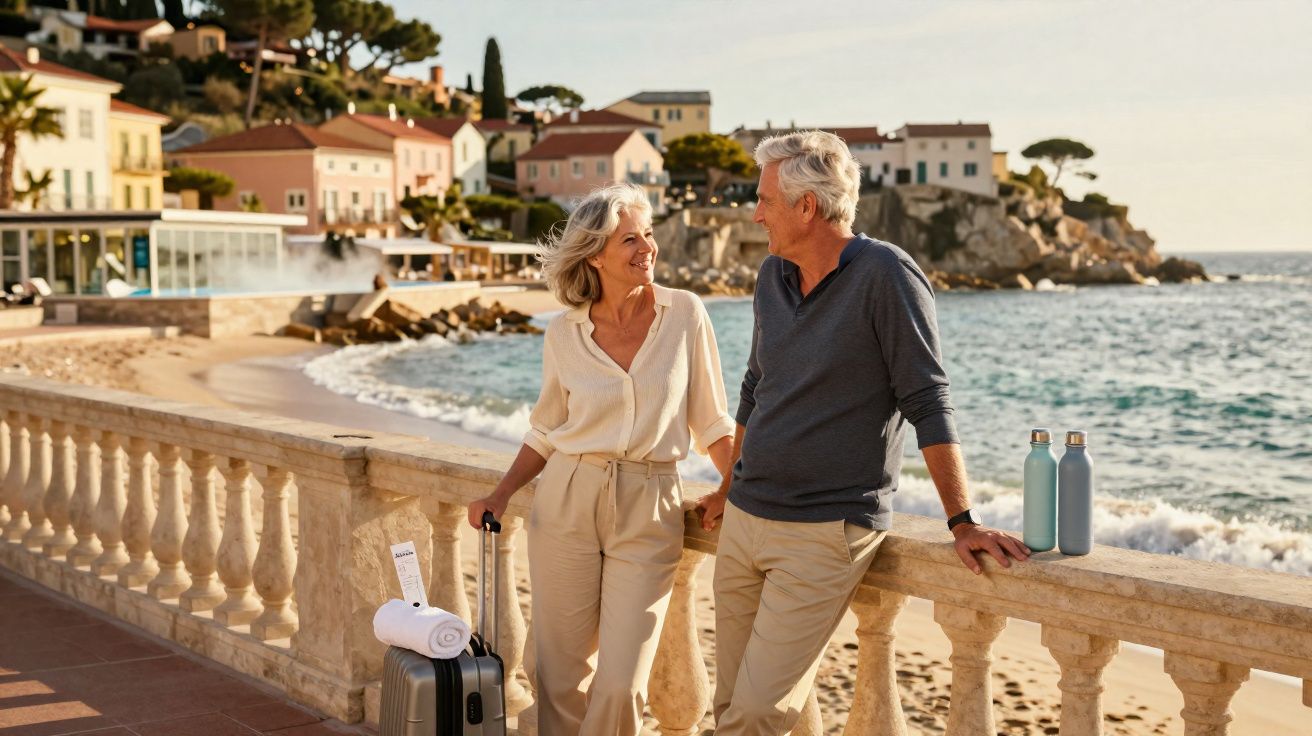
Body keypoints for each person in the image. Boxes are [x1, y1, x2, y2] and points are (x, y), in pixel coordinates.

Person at [696, 131, 1031, 735]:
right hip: (746, 516)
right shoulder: (773, 274)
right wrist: (728, 484)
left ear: (806, 207)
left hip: (824, 530)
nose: (755, 212)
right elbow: (756, 386)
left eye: (766, 200)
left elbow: (927, 399)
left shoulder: (887, 275)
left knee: (754, 714)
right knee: (734, 706)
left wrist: (961, 520)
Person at [468, 183, 735, 736]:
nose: (648, 248)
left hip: (650, 504)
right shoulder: (565, 333)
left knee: (621, 684)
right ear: (595, 255)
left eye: (650, 235)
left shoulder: (685, 313)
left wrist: (732, 484)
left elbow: (711, 419)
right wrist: (500, 492)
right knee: (557, 676)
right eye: (630, 239)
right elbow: (546, 429)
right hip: (568, 498)